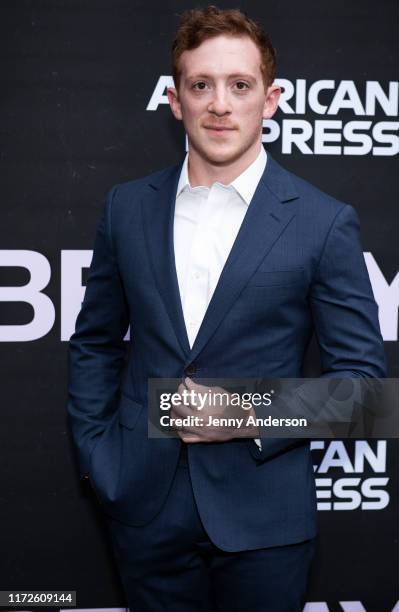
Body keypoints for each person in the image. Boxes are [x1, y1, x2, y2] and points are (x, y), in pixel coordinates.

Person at [67, 6, 386, 611]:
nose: (220, 103)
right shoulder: (127, 208)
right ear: (175, 99)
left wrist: (245, 414)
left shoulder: (323, 222)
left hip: (265, 517)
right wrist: (97, 456)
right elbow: (95, 342)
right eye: (201, 85)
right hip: (140, 503)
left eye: (240, 85)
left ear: (270, 100)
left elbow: (367, 393)